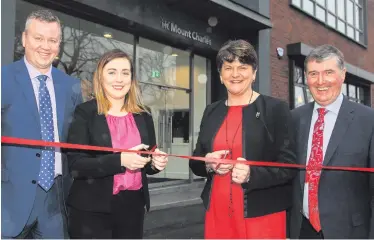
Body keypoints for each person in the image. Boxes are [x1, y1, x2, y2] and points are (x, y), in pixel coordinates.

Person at [189, 39, 296, 239]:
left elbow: (289, 166)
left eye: (243, 67)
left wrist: (251, 174)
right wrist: (209, 164)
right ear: (220, 75)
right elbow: (196, 160)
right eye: (228, 67)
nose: (235, 74)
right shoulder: (211, 111)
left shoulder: (275, 109)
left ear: (254, 73)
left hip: (262, 215)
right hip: (217, 212)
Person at [66, 49, 168, 239]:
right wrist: (120, 160)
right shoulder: (85, 113)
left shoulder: (143, 115)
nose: (119, 79)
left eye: (125, 73)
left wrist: (155, 164)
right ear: (100, 78)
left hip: (132, 208)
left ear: (132, 78)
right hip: (91, 210)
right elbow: (76, 165)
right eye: (112, 72)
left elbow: (147, 160)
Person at [1, 10, 82, 238]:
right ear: (24, 39)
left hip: (55, 200)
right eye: (38, 38)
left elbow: (79, 140)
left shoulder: (71, 86)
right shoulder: (3, 78)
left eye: (52, 40)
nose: (45, 46)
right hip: (9, 200)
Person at [289, 44, 374, 239]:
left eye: (328, 72)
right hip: (301, 230)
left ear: (343, 74)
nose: (321, 81)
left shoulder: (369, 120)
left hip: (350, 232)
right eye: (313, 74)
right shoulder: (294, 118)